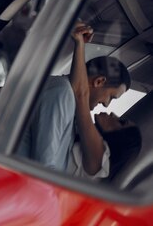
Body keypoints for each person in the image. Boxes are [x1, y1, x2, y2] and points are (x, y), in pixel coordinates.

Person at [17, 22, 131, 172]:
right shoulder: (62, 93)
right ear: (99, 81)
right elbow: (42, 168)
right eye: (111, 97)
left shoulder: (69, 102)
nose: (106, 105)